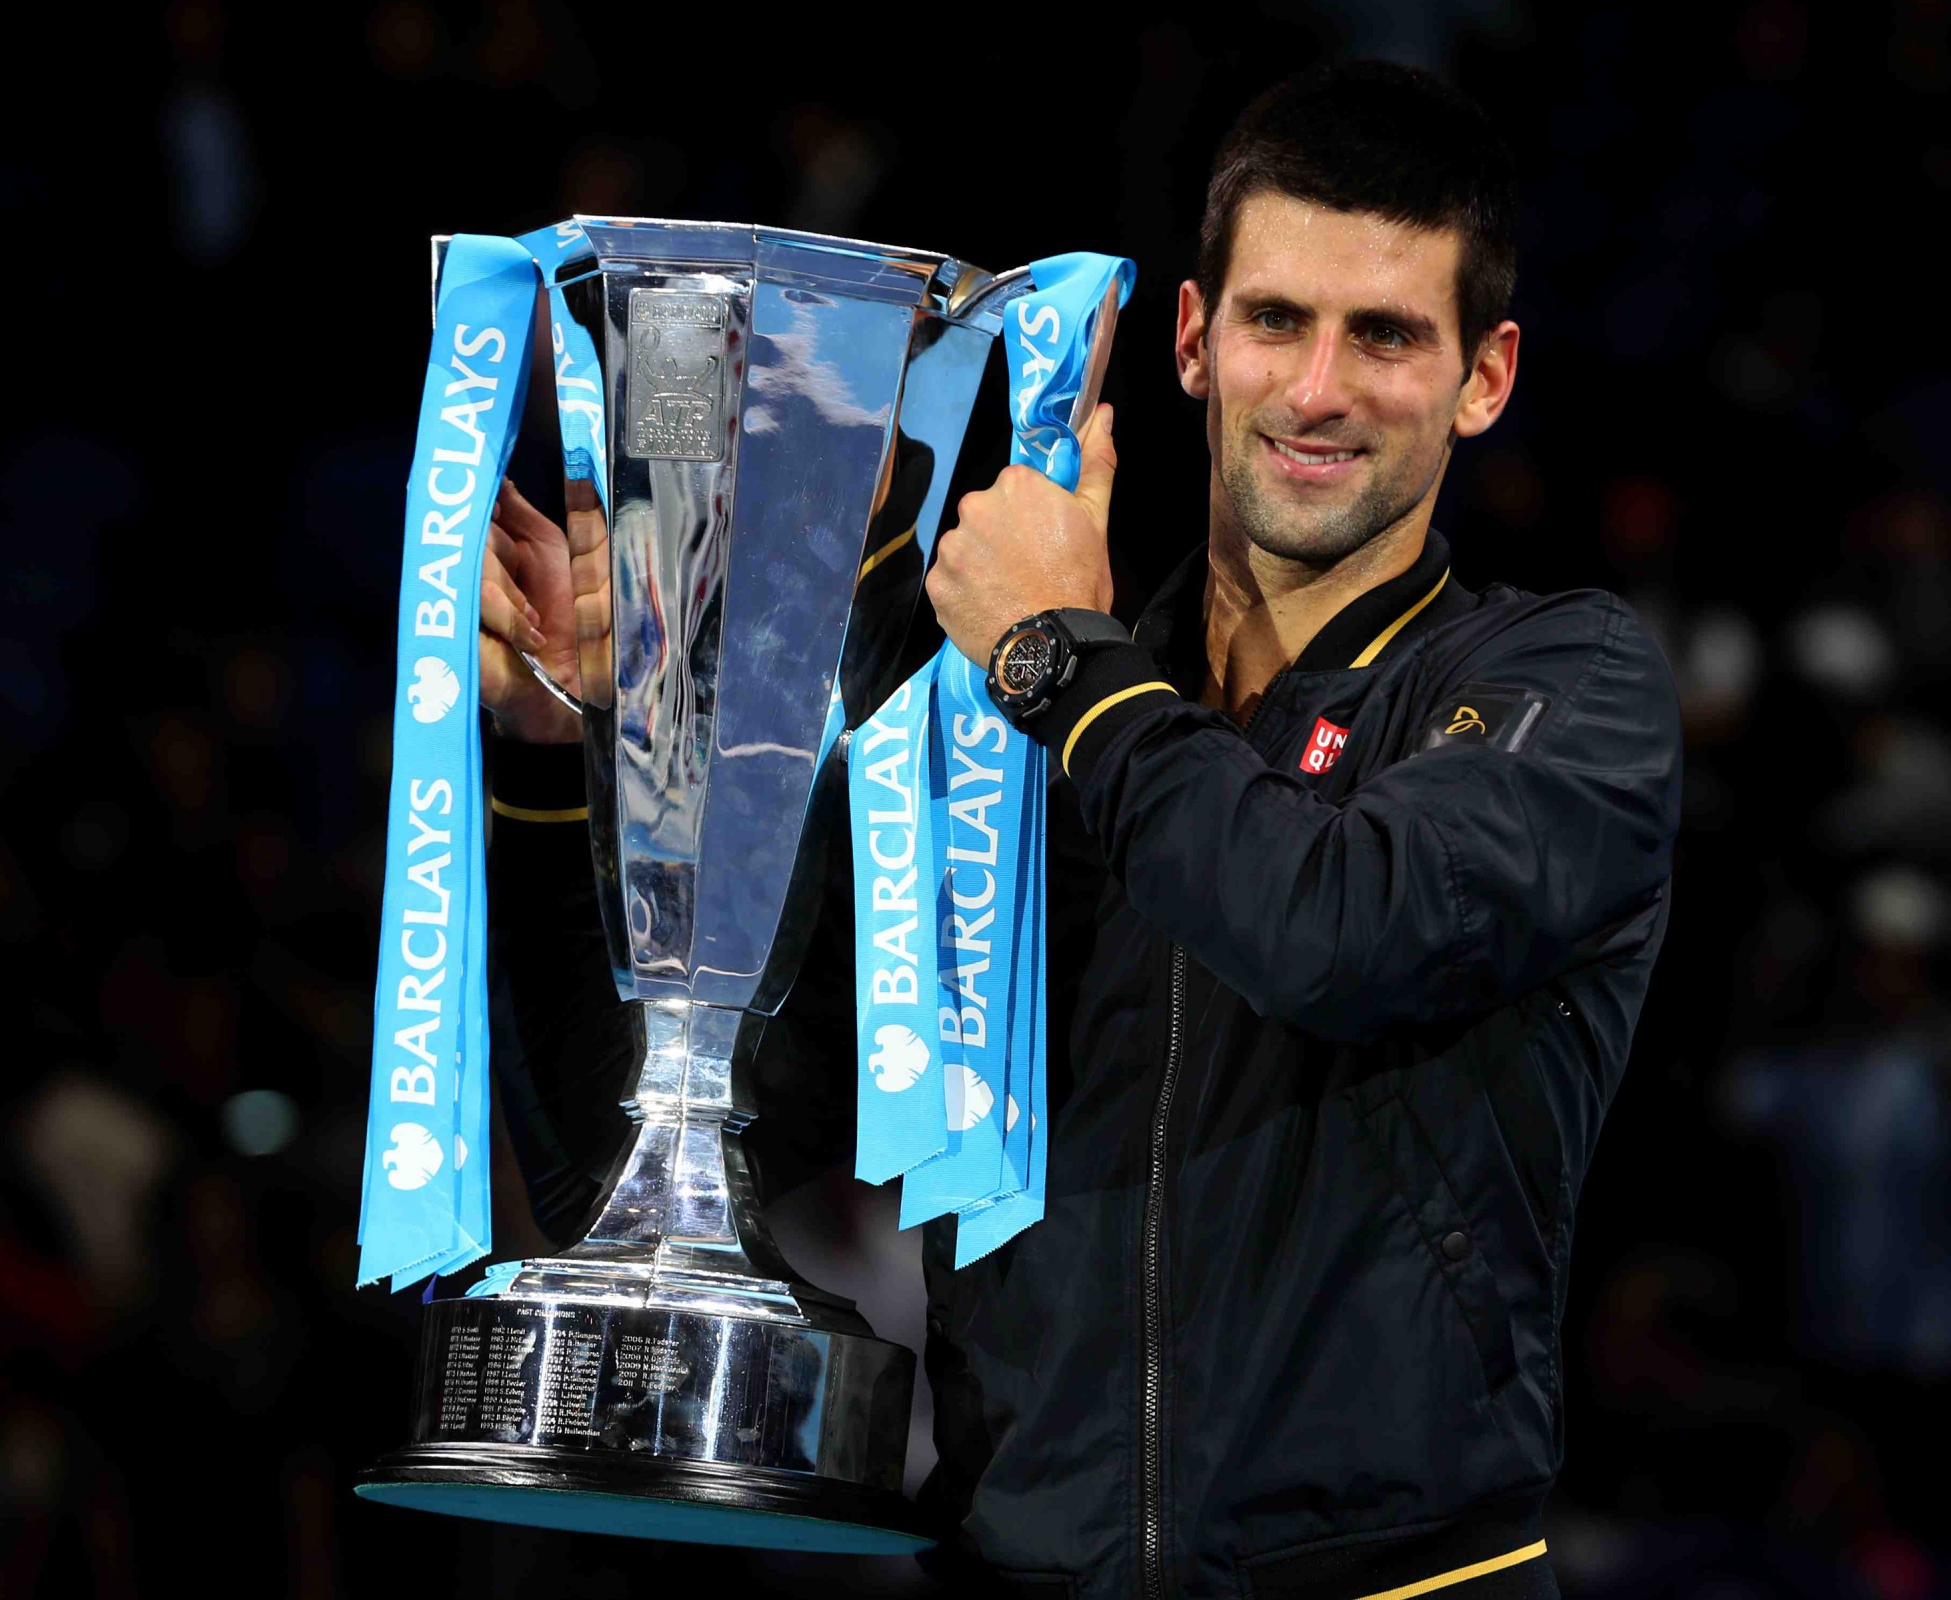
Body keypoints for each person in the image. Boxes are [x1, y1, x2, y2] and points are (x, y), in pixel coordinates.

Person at [476, 61, 1680, 1599]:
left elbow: (1335, 930)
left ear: (1485, 378)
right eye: (1276, 320)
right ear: (1193, 338)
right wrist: (562, 761)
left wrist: (1063, 661)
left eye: (1386, 336)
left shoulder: (1558, 687)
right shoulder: (999, 741)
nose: (1319, 389)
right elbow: (654, 1169)